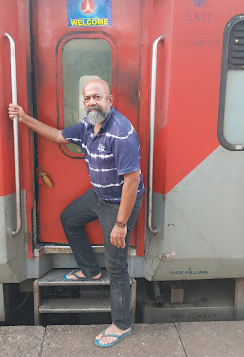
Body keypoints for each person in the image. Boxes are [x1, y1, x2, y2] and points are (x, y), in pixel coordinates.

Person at [8, 79, 144, 347]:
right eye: (87, 98)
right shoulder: (86, 125)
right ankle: (90, 270)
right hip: (99, 194)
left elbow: (133, 181)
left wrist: (120, 224)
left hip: (118, 203)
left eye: (97, 97)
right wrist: (24, 118)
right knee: (69, 218)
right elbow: (58, 135)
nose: (92, 102)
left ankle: (121, 324)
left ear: (110, 99)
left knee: (116, 268)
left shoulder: (121, 132)